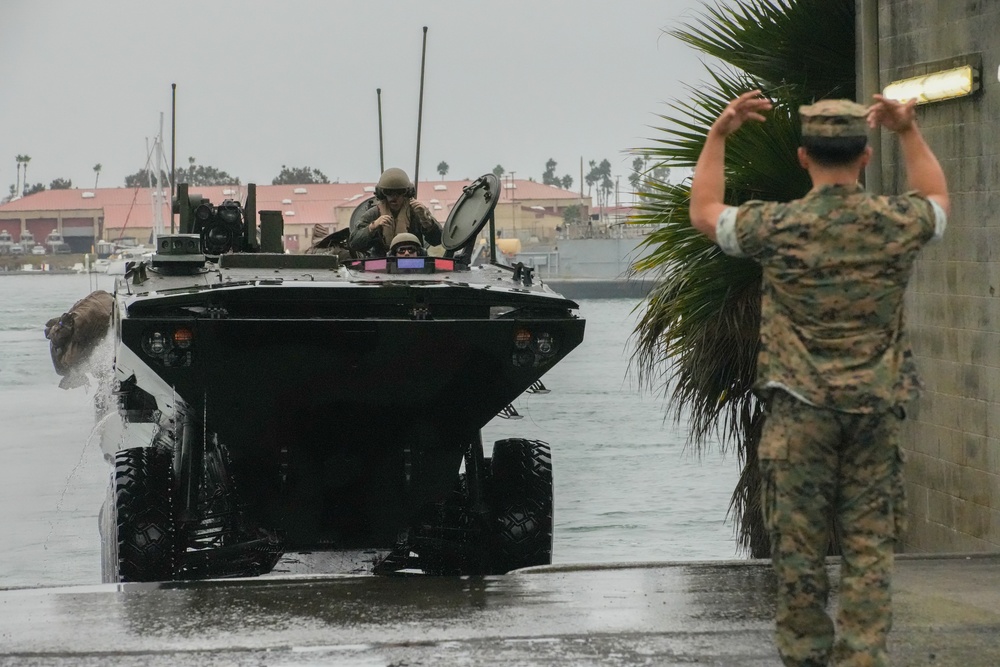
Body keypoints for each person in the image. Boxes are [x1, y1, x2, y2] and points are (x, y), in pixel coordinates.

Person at [689, 92, 949, 667]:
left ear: (804, 157)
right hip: (873, 416)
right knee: (869, 552)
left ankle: (806, 658)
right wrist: (909, 132)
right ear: (864, 157)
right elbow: (937, 199)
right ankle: (862, 658)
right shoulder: (896, 224)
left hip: (799, 418)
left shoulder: (776, 226)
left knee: (800, 556)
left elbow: (705, 212)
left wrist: (718, 136)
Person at [349, 167, 442, 256]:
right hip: (381, 264)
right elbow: (354, 243)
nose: (394, 197)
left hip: (414, 262)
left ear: (407, 192)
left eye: (399, 192)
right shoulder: (374, 213)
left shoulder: (417, 212)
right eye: (389, 192)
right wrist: (373, 226)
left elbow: (437, 240)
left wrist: (426, 221)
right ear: (382, 193)